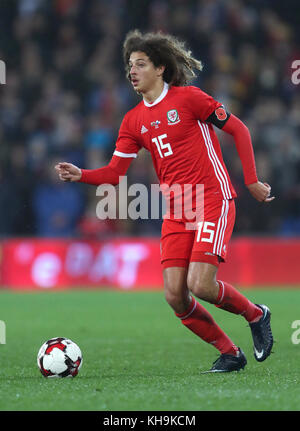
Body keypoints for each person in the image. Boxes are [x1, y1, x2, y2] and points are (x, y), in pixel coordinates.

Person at [55, 30, 274, 373]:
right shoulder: (133, 120)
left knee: (199, 284)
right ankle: (230, 353)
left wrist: (251, 181)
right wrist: (80, 174)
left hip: (211, 198)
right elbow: (115, 172)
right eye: (130, 65)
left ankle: (256, 315)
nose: (132, 71)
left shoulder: (190, 98)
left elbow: (239, 130)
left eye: (140, 64)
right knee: (175, 295)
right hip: (177, 208)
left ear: (159, 69)